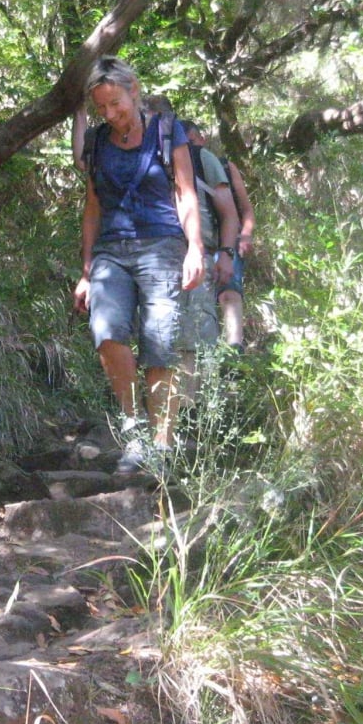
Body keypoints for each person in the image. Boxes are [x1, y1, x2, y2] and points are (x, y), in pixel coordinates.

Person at [70, 58, 203, 473]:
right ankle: (135, 431)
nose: (110, 114)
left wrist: (195, 248)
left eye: (115, 104)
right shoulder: (97, 141)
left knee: (160, 342)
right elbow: (92, 208)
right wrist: (87, 271)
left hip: (162, 244)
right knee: (106, 331)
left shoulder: (166, 130)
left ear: (134, 90)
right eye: (101, 108)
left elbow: (185, 193)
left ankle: (161, 444)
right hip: (111, 249)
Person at [179, 120, 240, 396]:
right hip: (158, 256)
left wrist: (226, 253)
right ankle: (176, 405)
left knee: (200, 327)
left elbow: (230, 213)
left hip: (200, 254)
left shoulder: (203, 159)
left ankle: (200, 402)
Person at [218, 153, 255, 350]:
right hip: (196, 239)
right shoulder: (175, 161)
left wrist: (246, 234)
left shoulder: (225, 166)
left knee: (229, 292)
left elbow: (246, 208)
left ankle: (234, 350)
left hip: (230, 237)